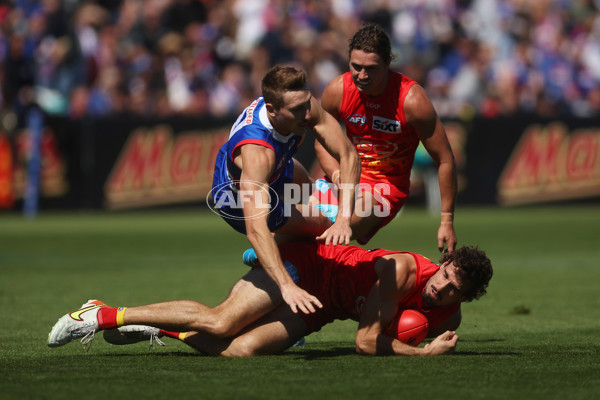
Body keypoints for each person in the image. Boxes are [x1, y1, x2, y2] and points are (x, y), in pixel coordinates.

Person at [47, 241, 493, 357]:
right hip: (304, 266)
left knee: (239, 350)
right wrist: (424, 355)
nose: (443, 287)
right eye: (447, 275)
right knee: (222, 322)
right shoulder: (405, 270)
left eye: (455, 289)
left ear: (466, 299)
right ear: (444, 262)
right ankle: (102, 313)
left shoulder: (447, 315)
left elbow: (387, 338)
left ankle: (160, 327)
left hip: (321, 308)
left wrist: (422, 343)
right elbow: (365, 344)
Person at [210, 65, 361, 315]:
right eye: (297, 110)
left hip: (277, 169)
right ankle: (277, 268)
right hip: (235, 200)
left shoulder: (299, 104)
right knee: (324, 223)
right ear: (271, 110)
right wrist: (287, 287)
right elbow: (256, 230)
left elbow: (348, 155)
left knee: (309, 188)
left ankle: (272, 253)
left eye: (306, 105)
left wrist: (345, 220)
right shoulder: (258, 154)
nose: (307, 115)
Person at [315, 23, 458, 252]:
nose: (361, 75)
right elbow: (321, 142)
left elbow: (445, 160)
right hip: (346, 178)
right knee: (293, 217)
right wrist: (337, 175)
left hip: (385, 191)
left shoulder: (412, 101)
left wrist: (446, 221)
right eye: (356, 66)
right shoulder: (337, 90)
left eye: (370, 68)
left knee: (329, 228)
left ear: (388, 63)